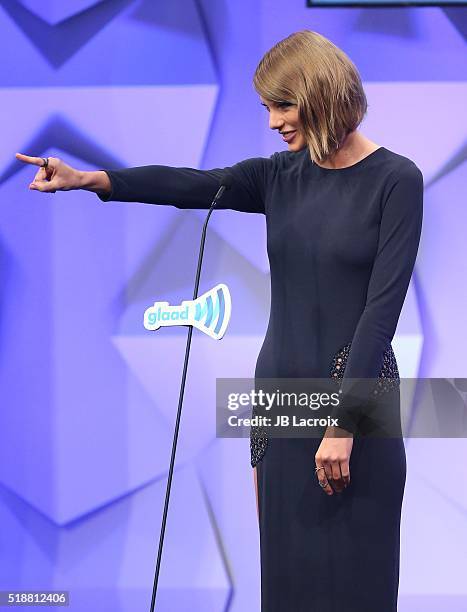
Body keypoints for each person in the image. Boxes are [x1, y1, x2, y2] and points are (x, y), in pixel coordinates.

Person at [16, 29, 423, 612]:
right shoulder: (278, 177)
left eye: (282, 104)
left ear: (321, 91)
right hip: (280, 404)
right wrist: (92, 180)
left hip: (357, 405)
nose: (273, 122)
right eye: (267, 108)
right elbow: (190, 185)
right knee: (288, 585)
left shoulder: (396, 180)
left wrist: (343, 424)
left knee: (358, 583)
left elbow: (383, 309)